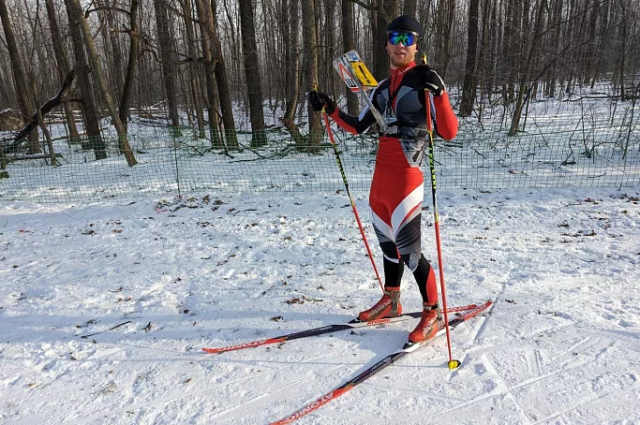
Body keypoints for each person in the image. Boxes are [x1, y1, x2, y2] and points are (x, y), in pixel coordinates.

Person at [308, 15, 459, 344]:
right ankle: (391, 300)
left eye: (408, 39)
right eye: (395, 38)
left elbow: (448, 131)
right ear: (386, 43)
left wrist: (441, 95)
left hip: (407, 177)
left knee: (411, 253)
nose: (401, 45)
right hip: (380, 181)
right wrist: (329, 108)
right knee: (388, 246)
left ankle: (431, 312)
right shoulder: (379, 88)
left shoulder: (425, 79)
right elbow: (358, 126)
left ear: (417, 45)